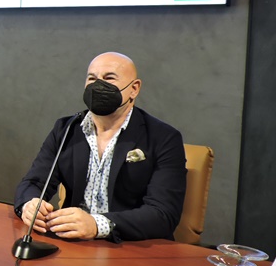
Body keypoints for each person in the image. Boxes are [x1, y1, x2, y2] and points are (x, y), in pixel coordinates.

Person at [13, 52, 186, 242]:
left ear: (134, 88)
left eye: (109, 78)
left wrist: (97, 225)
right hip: (72, 242)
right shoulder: (66, 129)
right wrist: (29, 205)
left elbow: (163, 214)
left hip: (129, 246)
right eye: (92, 79)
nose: (98, 86)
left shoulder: (164, 138)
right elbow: (33, 183)